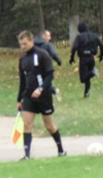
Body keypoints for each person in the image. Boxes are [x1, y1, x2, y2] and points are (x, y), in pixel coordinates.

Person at [16, 31, 66, 160]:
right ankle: (27, 156)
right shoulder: (22, 59)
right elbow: (22, 80)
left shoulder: (43, 55)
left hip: (44, 96)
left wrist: (41, 88)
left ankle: (61, 150)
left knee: (49, 126)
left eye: (25, 43)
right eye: (21, 44)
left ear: (31, 40)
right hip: (28, 97)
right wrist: (19, 99)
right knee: (27, 124)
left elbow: (50, 76)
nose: (23, 47)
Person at [69, 22, 103, 98]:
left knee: (83, 78)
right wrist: (101, 55)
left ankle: (93, 72)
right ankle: (86, 94)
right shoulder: (94, 36)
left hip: (83, 59)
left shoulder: (79, 37)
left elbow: (74, 47)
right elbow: (102, 46)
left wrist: (72, 58)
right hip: (92, 58)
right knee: (87, 79)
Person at [34, 30, 63, 101]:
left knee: (40, 83)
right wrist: (59, 61)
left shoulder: (32, 44)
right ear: (43, 36)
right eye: (48, 36)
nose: (50, 38)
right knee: (44, 83)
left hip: (35, 67)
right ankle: (54, 90)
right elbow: (53, 53)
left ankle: (52, 91)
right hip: (47, 67)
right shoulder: (48, 45)